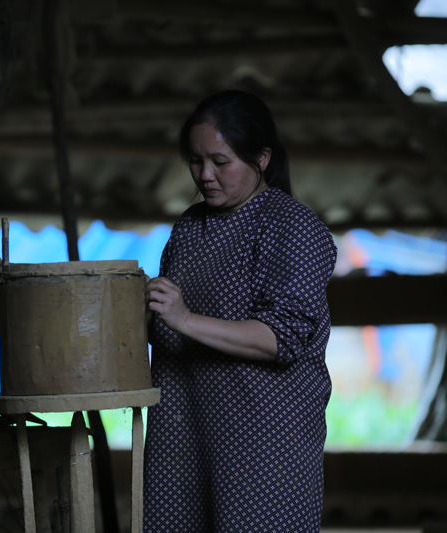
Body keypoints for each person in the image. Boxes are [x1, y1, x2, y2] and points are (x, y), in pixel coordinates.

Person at [143, 90, 337, 532]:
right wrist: (144, 308)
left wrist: (185, 318)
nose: (205, 174)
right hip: (181, 436)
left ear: (262, 158)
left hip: (263, 446)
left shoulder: (294, 227)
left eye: (220, 161)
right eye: (195, 161)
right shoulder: (190, 228)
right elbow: (167, 328)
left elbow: (281, 338)